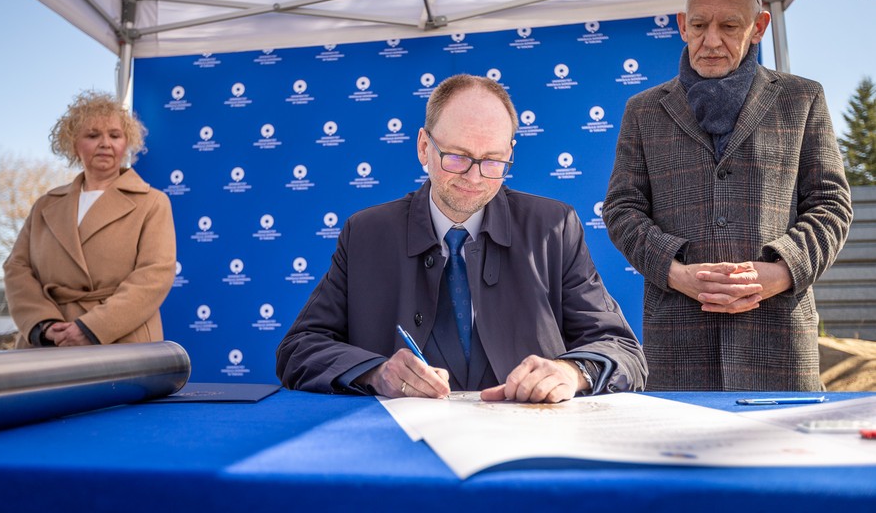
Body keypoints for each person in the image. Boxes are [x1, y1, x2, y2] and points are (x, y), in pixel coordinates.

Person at [277, 74, 647, 402]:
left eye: (493, 161)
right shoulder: (366, 233)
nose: (474, 177)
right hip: (400, 441)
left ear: (510, 153)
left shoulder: (554, 227)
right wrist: (376, 373)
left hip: (528, 437)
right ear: (424, 147)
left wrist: (571, 373)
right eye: (457, 157)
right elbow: (298, 349)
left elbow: (624, 351)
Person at [602, 0, 852, 391]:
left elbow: (831, 206)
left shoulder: (802, 99)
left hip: (779, 342)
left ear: (759, 27)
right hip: (678, 343)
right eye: (699, 25)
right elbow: (622, 208)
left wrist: (782, 272)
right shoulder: (643, 110)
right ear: (683, 26)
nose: (711, 40)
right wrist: (675, 272)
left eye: (730, 26)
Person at [3, 90, 177, 348]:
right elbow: (17, 269)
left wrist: (91, 328)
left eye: (115, 135)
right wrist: (45, 325)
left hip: (121, 340)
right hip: (50, 343)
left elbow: (154, 275)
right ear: (74, 145)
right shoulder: (45, 206)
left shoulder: (152, 202)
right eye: (93, 135)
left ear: (126, 143)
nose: (105, 143)